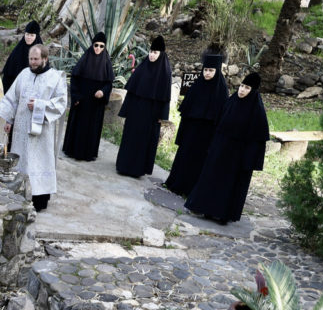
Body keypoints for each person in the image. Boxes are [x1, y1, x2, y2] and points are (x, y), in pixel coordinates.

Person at [185, 73, 269, 224]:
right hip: (220, 149)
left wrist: (248, 161)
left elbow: (257, 140)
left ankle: (222, 215)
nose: (242, 90)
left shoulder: (256, 111)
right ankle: (204, 208)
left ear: (254, 91)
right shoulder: (231, 102)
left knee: (228, 186)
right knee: (211, 177)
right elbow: (218, 124)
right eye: (241, 86)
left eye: (247, 88)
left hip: (236, 157)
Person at [0, 44, 68, 212]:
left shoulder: (55, 78)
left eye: (36, 59)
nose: (33, 62)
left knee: (39, 162)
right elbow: (13, 98)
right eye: (31, 59)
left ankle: (38, 200)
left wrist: (40, 105)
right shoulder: (24, 74)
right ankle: (19, 193)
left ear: (45, 59)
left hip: (41, 132)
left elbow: (61, 103)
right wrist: (9, 119)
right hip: (21, 129)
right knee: (21, 159)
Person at [164, 53, 228, 196]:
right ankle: (175, 184)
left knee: (199, 161)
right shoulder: (197, 85)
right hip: (191, 130)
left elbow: (220, 118)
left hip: (206, 135)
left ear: (217, 71)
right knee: (184, 156)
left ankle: (191, 190)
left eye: (211, 70)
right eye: (205, 70)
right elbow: (186, 111)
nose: (207, 73)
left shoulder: (221, 91)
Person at [115, 35, 172, 177]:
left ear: (161, 54)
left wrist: (162, 117)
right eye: (151, 51)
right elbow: (132, 92)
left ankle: (136, 170)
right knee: (129, 138)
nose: (152, 55)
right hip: (135, 111)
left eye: (155, 52)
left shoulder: (165, 72)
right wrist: (126, 109)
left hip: (150, 115)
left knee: (143, 142)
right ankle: (123, 166)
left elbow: (166, 98)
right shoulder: (142, 67)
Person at [62, 32, 114, 161]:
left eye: (101, 46)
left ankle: (88, 153)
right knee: (78, 125)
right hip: (82, 100)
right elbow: (74, 79)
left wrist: (102, 92)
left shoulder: (106, 63)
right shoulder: (84, 59)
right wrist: (76, 96)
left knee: (92, 127)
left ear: (105, 47)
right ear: (92, 45)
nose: (98, 48)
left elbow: (109, 83)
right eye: (96, 45)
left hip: (96, 103)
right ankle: (72, 151)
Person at [0, 20, 42, 94]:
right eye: (27, 34)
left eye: (32, 35)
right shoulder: (18, 50)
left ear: (36, 36)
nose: (29, 37)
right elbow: (8, 73)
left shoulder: (41, 51)